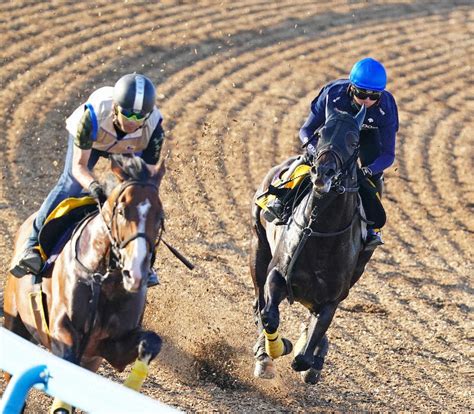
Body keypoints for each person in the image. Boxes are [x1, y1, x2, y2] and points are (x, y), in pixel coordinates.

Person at [10, 73, 165, 286]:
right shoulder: (92, 116)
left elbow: (144, 182)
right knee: (70, 185)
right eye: (127, 114)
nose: (132, 121)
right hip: (93, 142)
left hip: (128, 150)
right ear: (115, 108)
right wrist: (94, 186)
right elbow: (79, 167)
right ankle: (32, 246)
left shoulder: (154, 130)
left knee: (139, 204)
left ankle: (146, 264)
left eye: (139, 117)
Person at [268, 57, 399, 248]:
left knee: (373, 176)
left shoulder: (386, 107)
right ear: (352, 87)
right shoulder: (334, 93)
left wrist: (368, 171)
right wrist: (314, 152)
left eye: (374, 96)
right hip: (336, 134)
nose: (368, 101)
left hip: (368, 137)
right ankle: (281, 199)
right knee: (309, 161)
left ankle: (373, 227)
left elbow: (388, 154)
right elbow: (305, 131)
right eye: (362, 94)